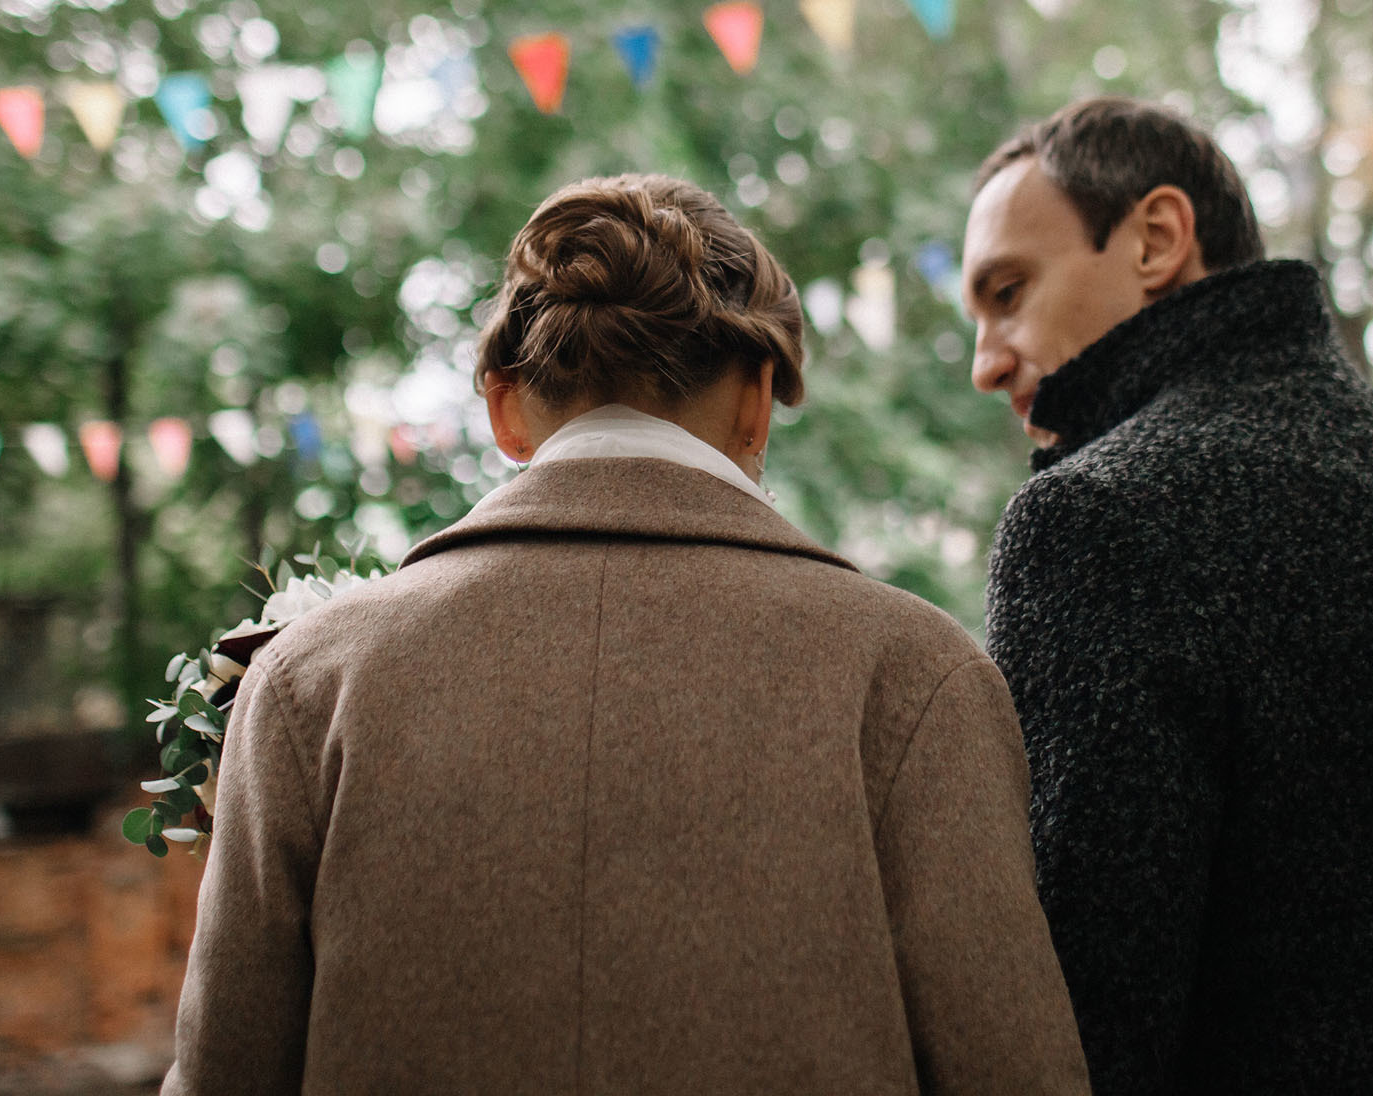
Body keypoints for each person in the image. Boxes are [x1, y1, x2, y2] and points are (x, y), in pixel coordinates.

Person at [166, 174, 1090, 1096]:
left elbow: (223, 1076)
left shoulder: (307, 679)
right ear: (758, 399)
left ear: (503, 408)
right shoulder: (914, 675)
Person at [959, 99, 1373, 1093]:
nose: (986, 362)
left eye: (1009, 292)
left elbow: (1077, 1030)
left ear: (1156, 238)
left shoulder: (1098, 524)